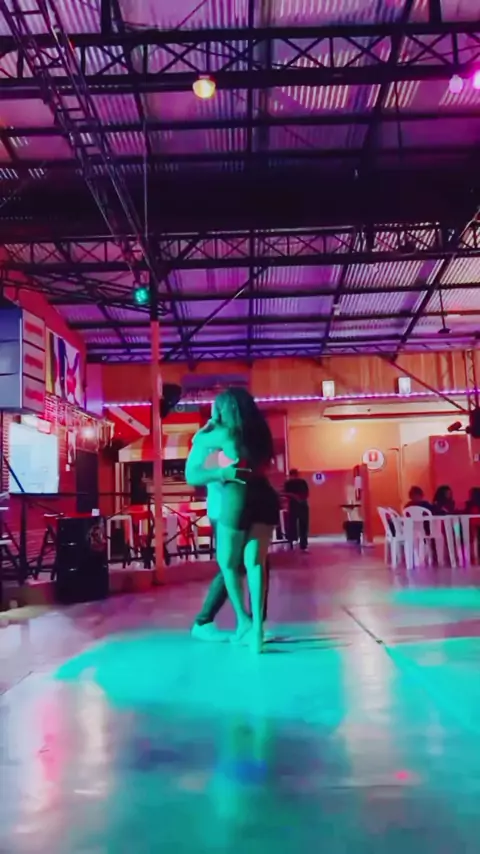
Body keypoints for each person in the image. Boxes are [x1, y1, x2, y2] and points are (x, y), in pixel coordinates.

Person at [185, 388, 279, 653]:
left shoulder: (222, 434)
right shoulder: (261, 433)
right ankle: (256, 628)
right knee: (255, 564)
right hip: (264, 496)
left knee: (228, 564)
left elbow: (192, 474)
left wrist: (202, 434)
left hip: (233, 499)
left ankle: (240, 622)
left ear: (223, 409)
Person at [283, 468, 309, 551]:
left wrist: (297, 498)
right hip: (299, 504)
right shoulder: (294, 483)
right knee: (296, 524)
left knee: (298, 524)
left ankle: (298, 542)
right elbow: (306, 493)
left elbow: (306, 493)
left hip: (297, 504)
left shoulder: (294, 483)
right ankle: (298, 543)